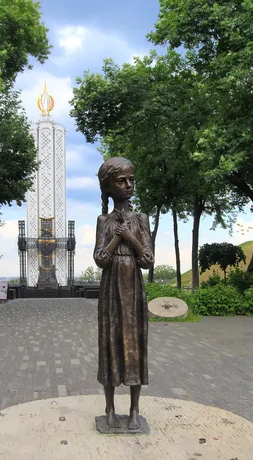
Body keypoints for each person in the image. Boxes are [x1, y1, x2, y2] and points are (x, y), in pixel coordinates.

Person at [94, 157, 154, 430]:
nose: (129, 185)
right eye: (122, 180)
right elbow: (100, 259)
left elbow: (148, 259)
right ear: (108, 186)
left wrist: (130, 237)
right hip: (110, 290)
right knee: (110, 342)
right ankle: (109, 407)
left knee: (134, 344)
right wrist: (117, 237)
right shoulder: (103, 220)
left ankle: (134, 409)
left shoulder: (141, 219)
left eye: (132, 179)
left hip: (133, 288)